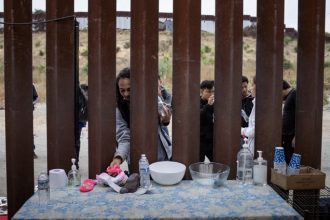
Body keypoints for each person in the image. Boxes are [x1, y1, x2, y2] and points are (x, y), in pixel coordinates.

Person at [110, 68, 172, 167]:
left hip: (161, 154)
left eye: (129, 89)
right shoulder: (120, 109)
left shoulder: (151, 99)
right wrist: (119, 157)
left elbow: (163, 117)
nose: (126, 94)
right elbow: (124, 136)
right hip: (137, 160)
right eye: (122, 90)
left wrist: (165, 120)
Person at [200, 80, 215, 162]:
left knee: (215, 161)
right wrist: (208, 105)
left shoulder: (214, 103)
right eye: (208, 91)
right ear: (201, 91)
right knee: (199, 162)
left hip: (211, 140)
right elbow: (199, 116)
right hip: (201, 140)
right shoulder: (197, 102)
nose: (211, 94)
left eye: (212, 91)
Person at [241, 76, 256, 156]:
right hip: (239, 134)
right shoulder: (233, 99)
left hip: (249, 134)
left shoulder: (252, 100)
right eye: (241, 87)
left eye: (245, 86)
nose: (244, 89)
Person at [282, 80, 296, 164]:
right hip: (287, 135)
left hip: (291, 135)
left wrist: (296, 136)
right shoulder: (289, 96)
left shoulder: (294, 94)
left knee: (290, 158)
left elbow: (299, 116)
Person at [75, 84, 88, 169]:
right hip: (79, 121)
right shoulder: (80, 91)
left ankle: (75, 162)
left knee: (76, 140)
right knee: (76, 140)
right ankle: (76, 162)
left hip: (78, 120)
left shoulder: (78, 90)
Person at [32, 84, 39, 159]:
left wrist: (31, 103)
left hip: (29, 112)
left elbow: (37, 98)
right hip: (16, 113)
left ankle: (31, 151)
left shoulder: (31, 86)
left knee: (29, 131)